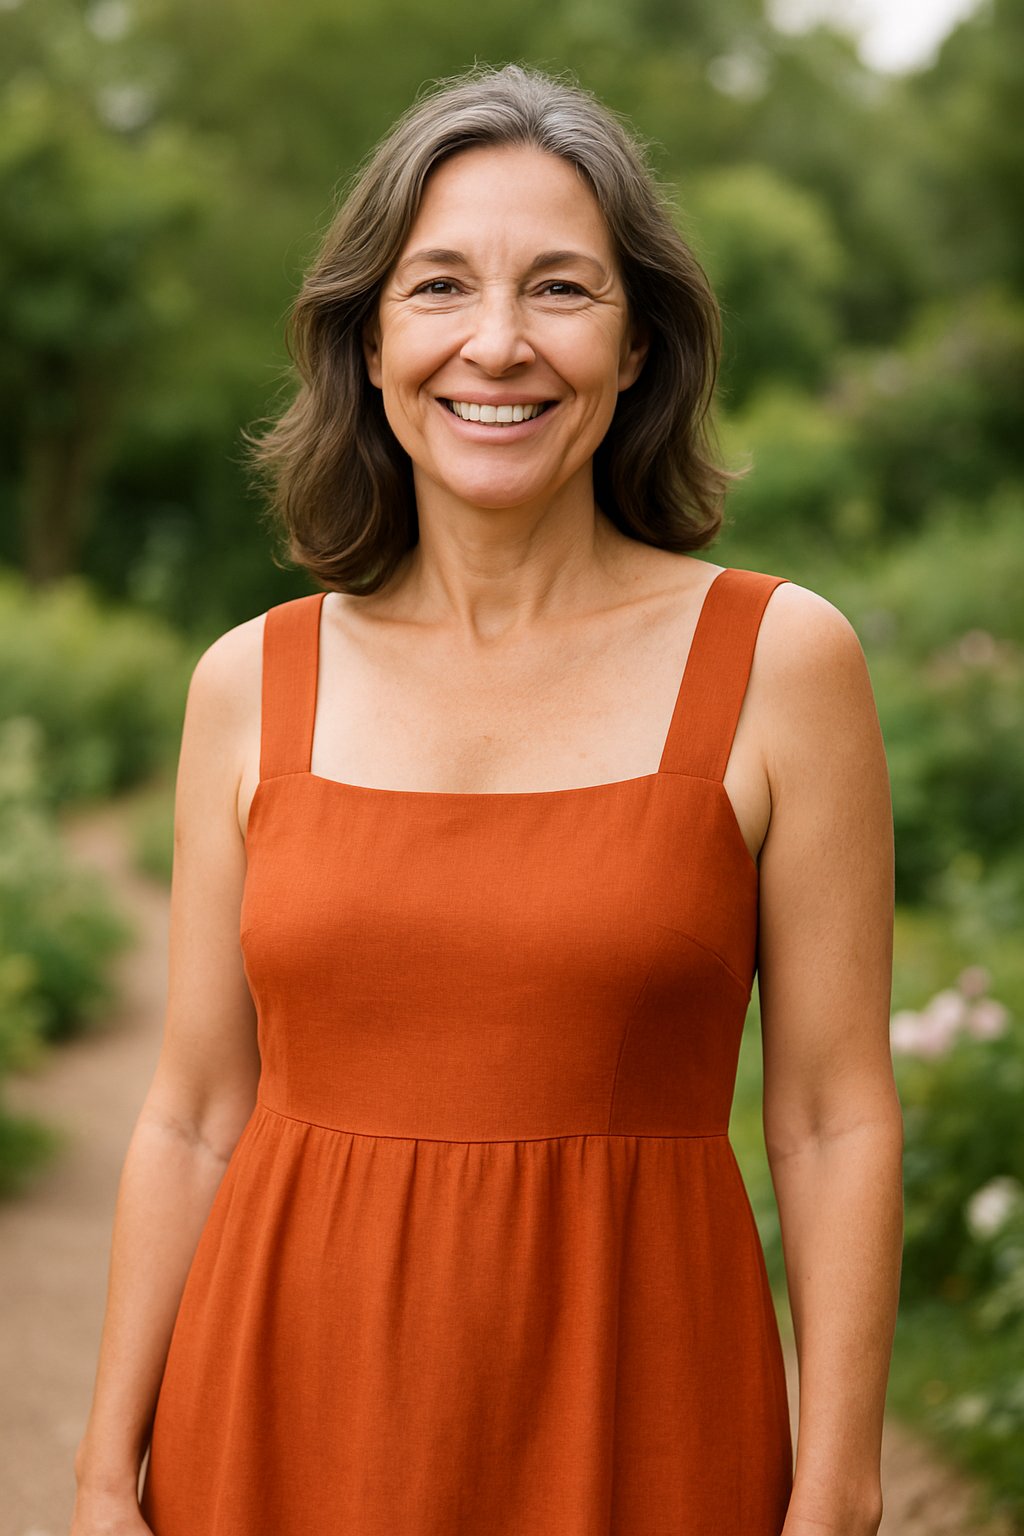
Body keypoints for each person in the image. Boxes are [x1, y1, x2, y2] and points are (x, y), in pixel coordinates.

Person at [71, 62, 903, 1536]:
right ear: (371, 342)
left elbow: (833, 1120)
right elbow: (193, 1115)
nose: (498, 343)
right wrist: (98, 1482)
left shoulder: (781, 663)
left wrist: (837, 1493)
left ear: (637, 346)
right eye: (441, 286)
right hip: (273, 1426)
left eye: (561, 289)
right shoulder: (249, 683)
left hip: (641, 1420)